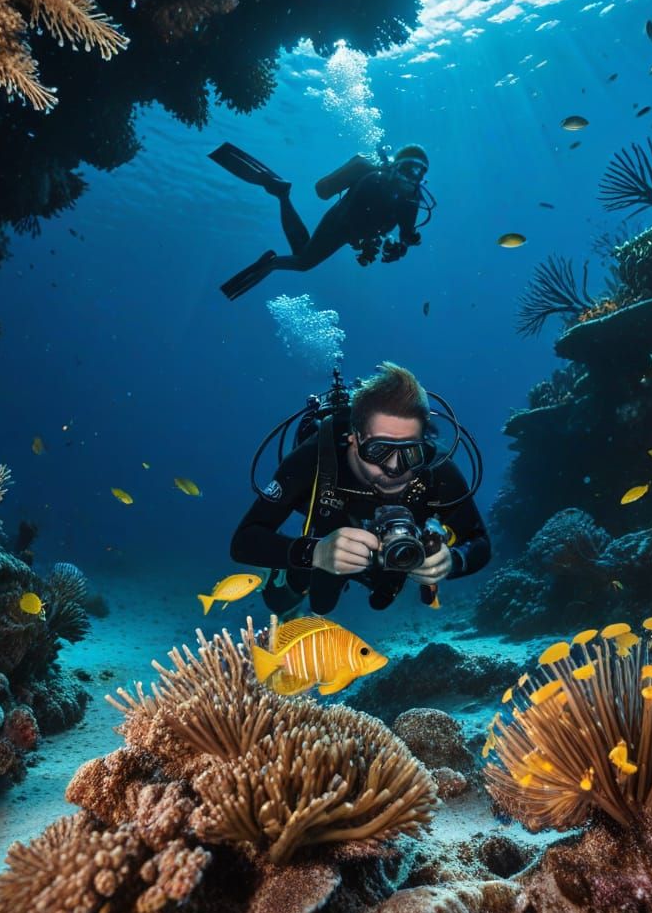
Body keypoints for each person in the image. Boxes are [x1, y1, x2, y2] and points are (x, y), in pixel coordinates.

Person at [230, 362, 490, 617]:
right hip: (327, 536)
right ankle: (295, 577)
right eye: (379, 450)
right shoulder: (316, 456)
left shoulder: (438, 468)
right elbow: (244, 542)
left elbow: (479, 541)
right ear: (354, 440)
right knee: (313, 602)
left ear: (424, 443)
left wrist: (452, 560)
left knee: (384, 595)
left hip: (392, 554)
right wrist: (314, 552)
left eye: (410, 452)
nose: (394, 469)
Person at [209, 142, 433, 300]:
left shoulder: (411, 200)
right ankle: (273, 262)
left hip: (355, 233)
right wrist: (367, 241)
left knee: (301, 252)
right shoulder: (372, 175)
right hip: (340, 224)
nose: (411, 177)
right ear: (395, 165)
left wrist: (400, 247)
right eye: (409, 168)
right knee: (303, 262)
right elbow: (336, 202)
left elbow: (406, 234)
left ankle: (281, 192)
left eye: (419, 173)